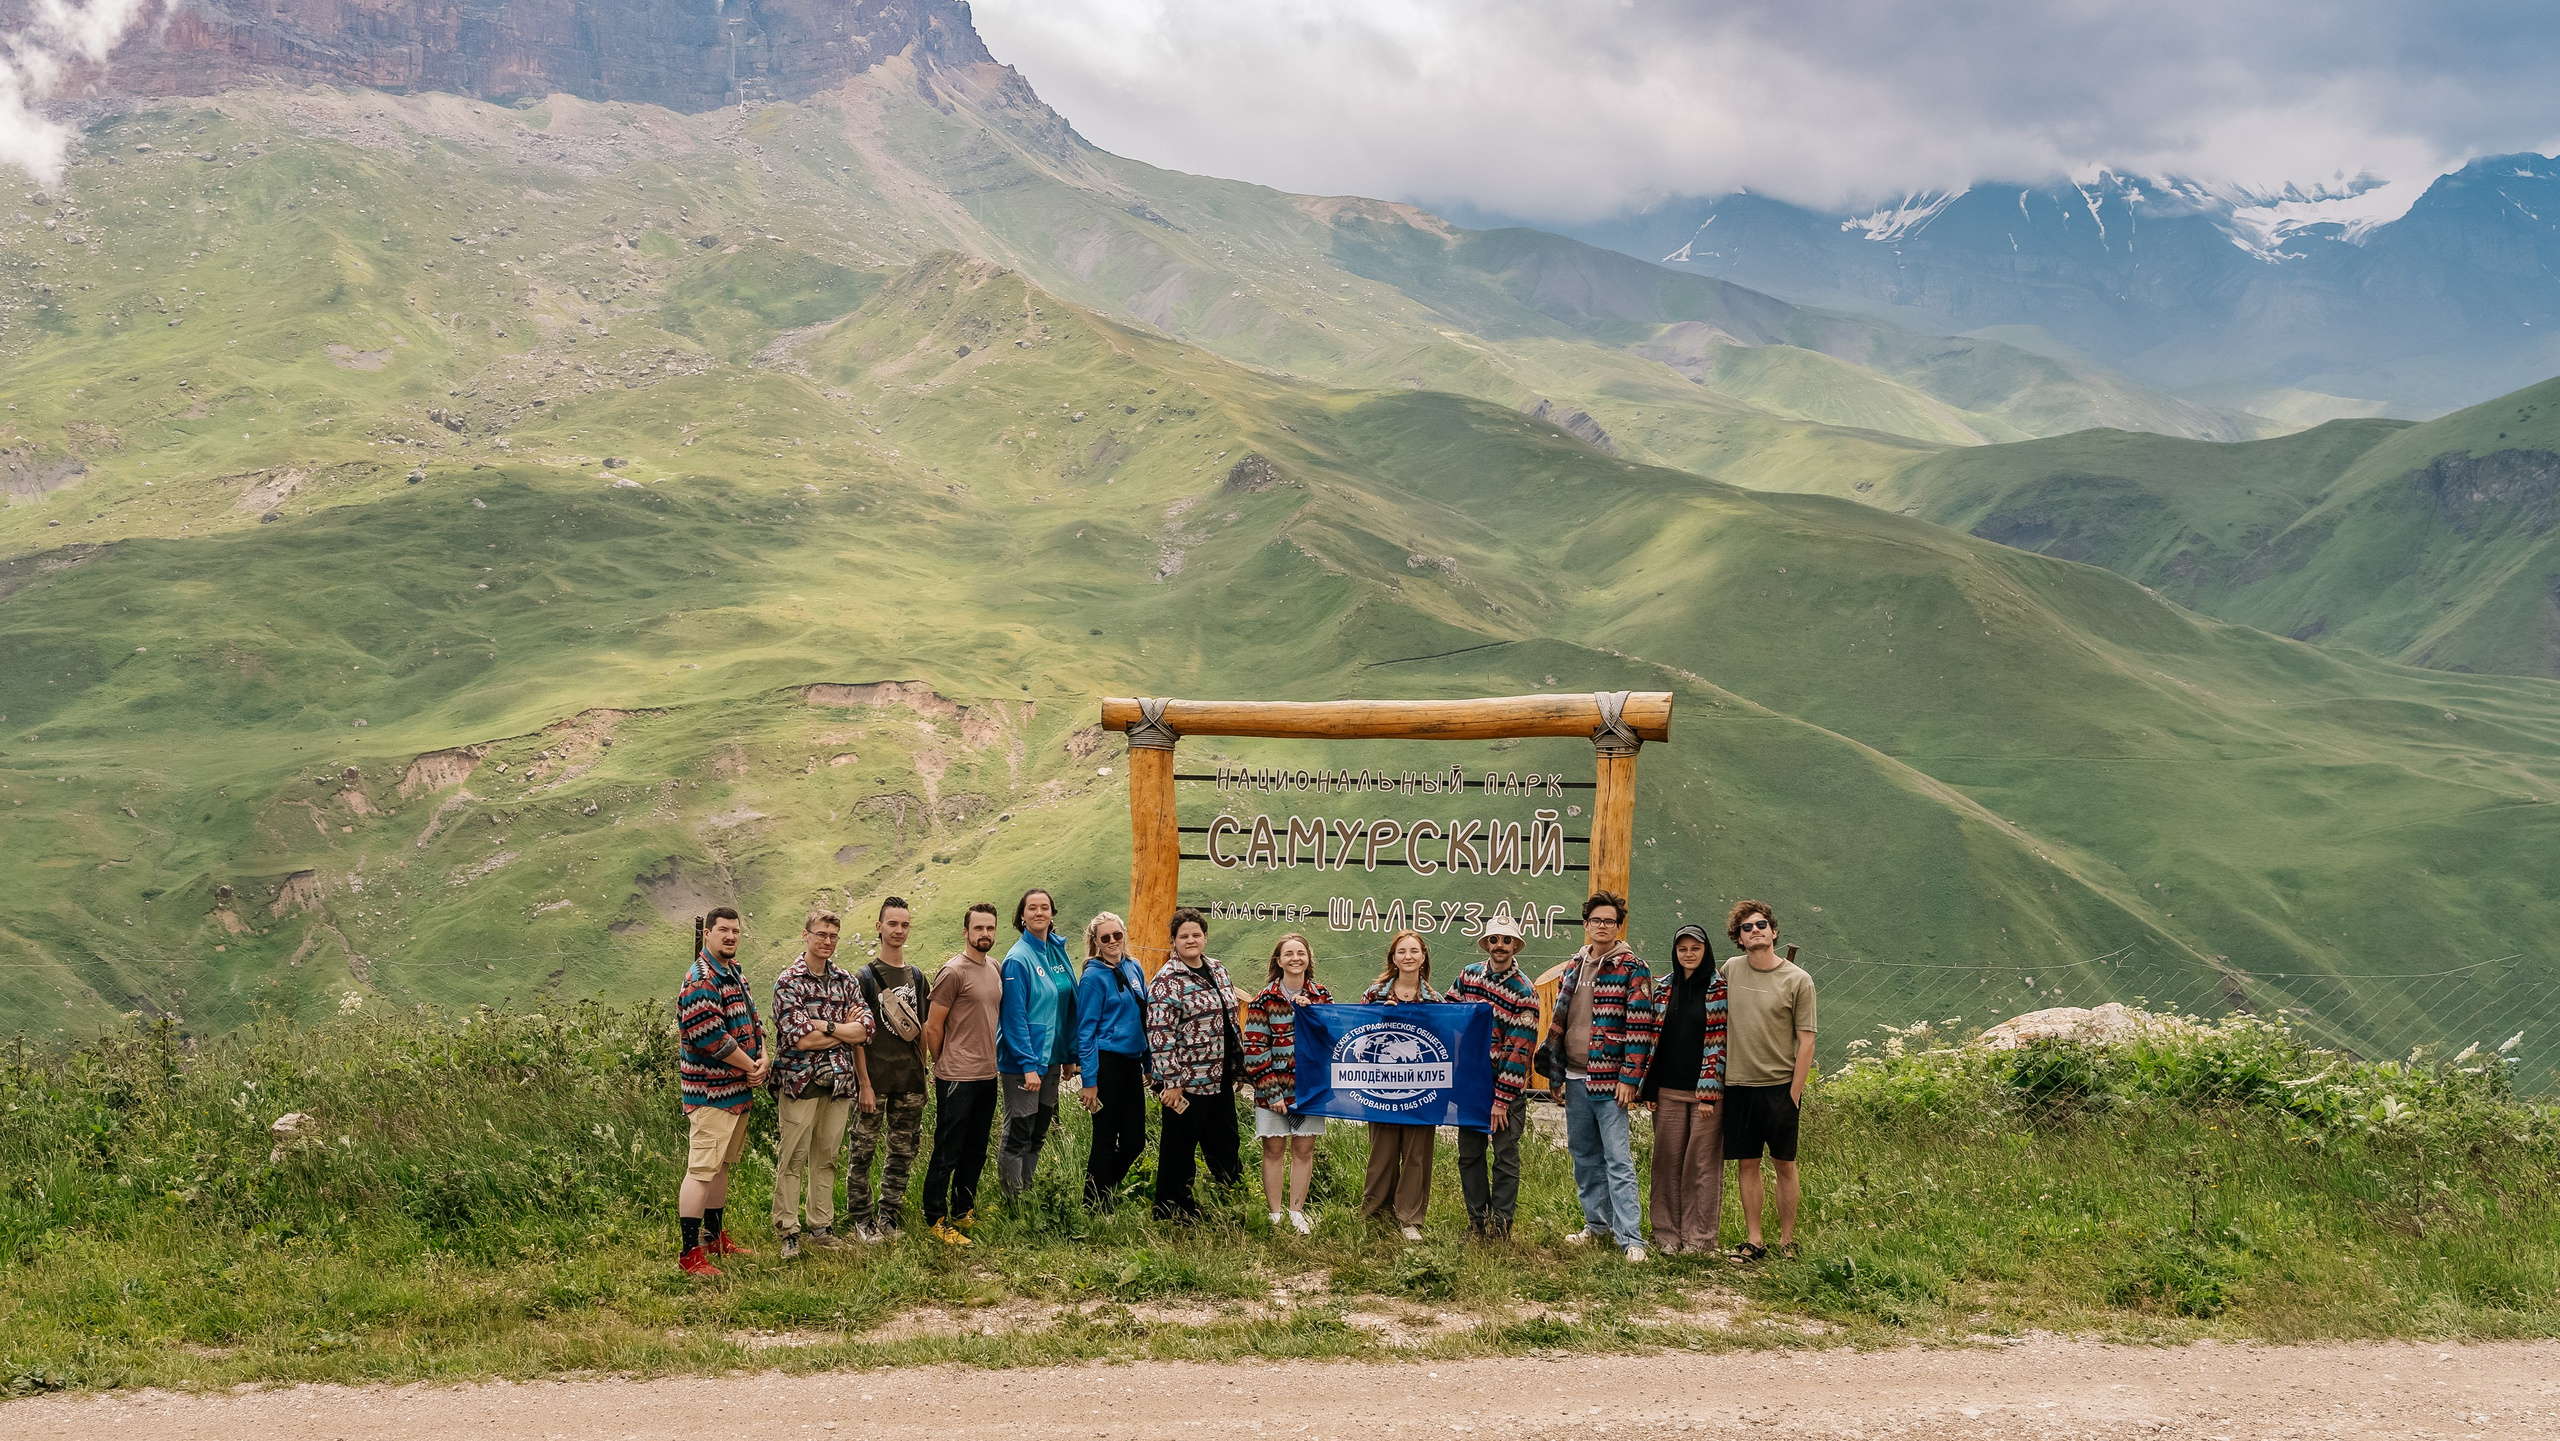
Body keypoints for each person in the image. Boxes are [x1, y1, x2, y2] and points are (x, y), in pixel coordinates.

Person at [1535, 890, 1655, 1262]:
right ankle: (1596, 1225)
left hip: (1610, 1079)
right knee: (1584, 1154)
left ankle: (1631, 1238)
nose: (1602, 926)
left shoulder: (1632, 968)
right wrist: (1555, 1075)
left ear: (1618, 927)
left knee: (1618, 1159)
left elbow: (1640, 1028)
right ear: (1586, 925)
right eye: (1596, 920)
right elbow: (1560, 1022)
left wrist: (1630, 1078)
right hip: (1573, 1076)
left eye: (1609, 921)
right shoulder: (1574, 965)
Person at [769, 909, 872, 1258]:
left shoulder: (846, 980)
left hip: (840, 1083)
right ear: (806, 935)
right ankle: (788, 1230)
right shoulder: (789, 982)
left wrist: (825, 1027)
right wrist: (842, 1029)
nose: (827, 941)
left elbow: (865, 1030)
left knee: (826, 1157)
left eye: (832, 936)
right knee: (793, 1157)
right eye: (821, 934)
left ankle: (821, 1226)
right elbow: (799, 1040)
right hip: (800, 1081)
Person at [1719, 899, 1816, 1261]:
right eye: (1746, 928)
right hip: (1739, 1084)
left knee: (1784, 1164)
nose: (1755, 931)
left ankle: (1788, 1241)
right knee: (1747, 1163)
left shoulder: (1797, 979)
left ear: (1774, 931)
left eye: (1760, 925)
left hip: (1780, 1087)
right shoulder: (1730, 970)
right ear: (1739, 938)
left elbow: (1807, 1039)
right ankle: (1754, 1240)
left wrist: (1794, 1093)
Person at [675, 906, 766, 1277]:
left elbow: (753, 1019)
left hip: (737, 1093)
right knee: (700, 1171)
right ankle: (689, 1252)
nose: (730, 936)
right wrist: (751, 1065)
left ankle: (714, 1238)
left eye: (736, 931)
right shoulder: (700, 980)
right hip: (710, 1094)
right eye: (723, 930)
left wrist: (763, 1059)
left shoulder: (733, 971)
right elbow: (711, 1037)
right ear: (708, 934)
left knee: (721, 1167)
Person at [1145, 907, 1244, 1221]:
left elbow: (1230, 1019)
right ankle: (1172, 1209)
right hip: (1186, 1083)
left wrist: (1237, 1066)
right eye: (1183, 935)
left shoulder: (1218, 969)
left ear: (1204, 937)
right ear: (1173, 940)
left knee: (1226, 1141)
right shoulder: (1167, 981)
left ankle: (1232, 1198)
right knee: (1179, 1148)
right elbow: (1159, 1035)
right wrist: (1170, 1081)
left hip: (1218, 1077)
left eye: (1196, 934)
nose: (1191, 940)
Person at [1636, 924, 1728, 1256]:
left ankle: (1700, 1240)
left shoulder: (1720, 989)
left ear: (1706, 951)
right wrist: (1650, 1089)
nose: (1688, 954)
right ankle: (1667, 1236)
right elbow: (1653, 1042)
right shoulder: (1662, 988)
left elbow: (1720, 1043)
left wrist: (1708, 1092)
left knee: (1701, 1167)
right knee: (1665, 1164)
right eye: (1682, 949)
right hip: (1668, 1092)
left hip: (1705, 1096)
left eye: (1695, 948)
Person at [1447, 915, 1540, 1239]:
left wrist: (1501, 1100)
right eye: (1494, 939)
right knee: (1469, 1154)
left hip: (1504, 1082)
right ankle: (1477, 1220)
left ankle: (1501, 1225)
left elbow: (1519, 1051)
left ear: (1515, 945)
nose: (1500, 946)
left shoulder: (1525, 992)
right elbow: (1447, 1016)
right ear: (1486, 943)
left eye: (1506, 940)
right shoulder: (1467, 977)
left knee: (1504, 1155)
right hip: (1469, 1081)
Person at [919, 902, 1005, 1246]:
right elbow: (932, 1026)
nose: (985, 934)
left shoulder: (995, 967)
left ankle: (963, 1210)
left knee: (976, 1149)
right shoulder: (953, 972)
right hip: (956, 1076)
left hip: (988, 1073)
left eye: (990, 928)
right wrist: (943, 1064)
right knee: (947, 1150)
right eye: (978, 928)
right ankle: (934, 1217)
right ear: (966, 932)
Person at [846, 896, 930, 1240]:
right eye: (892, 924)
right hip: (874, 1080)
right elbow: (857, 1037)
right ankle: (862, 1219)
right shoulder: (864, 977)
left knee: (902, 1151)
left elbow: (923, 1030)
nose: (898, 930)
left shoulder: (918, 977)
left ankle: (889, 1216)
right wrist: (863, 1083)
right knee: (862, 1150)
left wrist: (924, 1075)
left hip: (909, 1079)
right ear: (879, 927)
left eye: (904, 924)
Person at [1242, 932, 1331, 1235]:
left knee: (1304, 1149)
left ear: (1308, 958)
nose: (1295, 958)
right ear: (1278, 961)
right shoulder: (1263, 999)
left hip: (1309, 1089)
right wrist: (1271, 1092)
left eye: (1300, 953)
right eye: (1289, 953)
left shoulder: (1321, 995)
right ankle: (1275, 1213)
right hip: (1274, 1089)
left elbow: (1333, 1039)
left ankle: (1297, 1211)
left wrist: (1313, 1013)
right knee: (1274, 1149)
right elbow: (1254, 1049)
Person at [1359, 929, 1442, 1241]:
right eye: (1402, 951)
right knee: (1382, 1151)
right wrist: (1382, 1019)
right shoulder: (1375, 995)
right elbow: (1359, 1037)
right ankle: (1374, 1212)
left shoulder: (1435, 1000)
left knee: (1417, 1153)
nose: (1408, 956)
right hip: (1381, 1086)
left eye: (1414, 951)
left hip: (1421, 1089)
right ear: (1393, 958)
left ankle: (1409, 1218)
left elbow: (1442, 1046)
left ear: (1423, 958)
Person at [997, 887, 1079, 1200]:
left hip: (1053, 1058)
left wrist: (1069, 1054)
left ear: (1052, 914)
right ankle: (1013, 1201)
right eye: (1032, 908)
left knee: (1039, 1129)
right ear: (1022, 916)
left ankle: (1027, 1193)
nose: (1039, 913)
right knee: (1018, 1131)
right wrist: (1028, 1065)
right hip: (1024, 1062)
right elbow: (1013, 1018)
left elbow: (1066, 1005)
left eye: (1045, 907)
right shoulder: (1018, 959)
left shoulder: (1055, 952)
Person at [1074, 910, 1152, 1210]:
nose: (1112, 941)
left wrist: (1147, 1063)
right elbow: (1086, 1032)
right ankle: (1094, 1204)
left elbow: (1142, 1017)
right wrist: (1089, 1082)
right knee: (1105, 1137)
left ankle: (1103, 1187)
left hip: (1132, 1063)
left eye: (1117, 935)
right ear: (1095, 941)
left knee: (1135, 1140)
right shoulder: (1093, 976)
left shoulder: (1134, 967)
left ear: (1124, 935)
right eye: (1104, 937)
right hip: (1107, 1063)